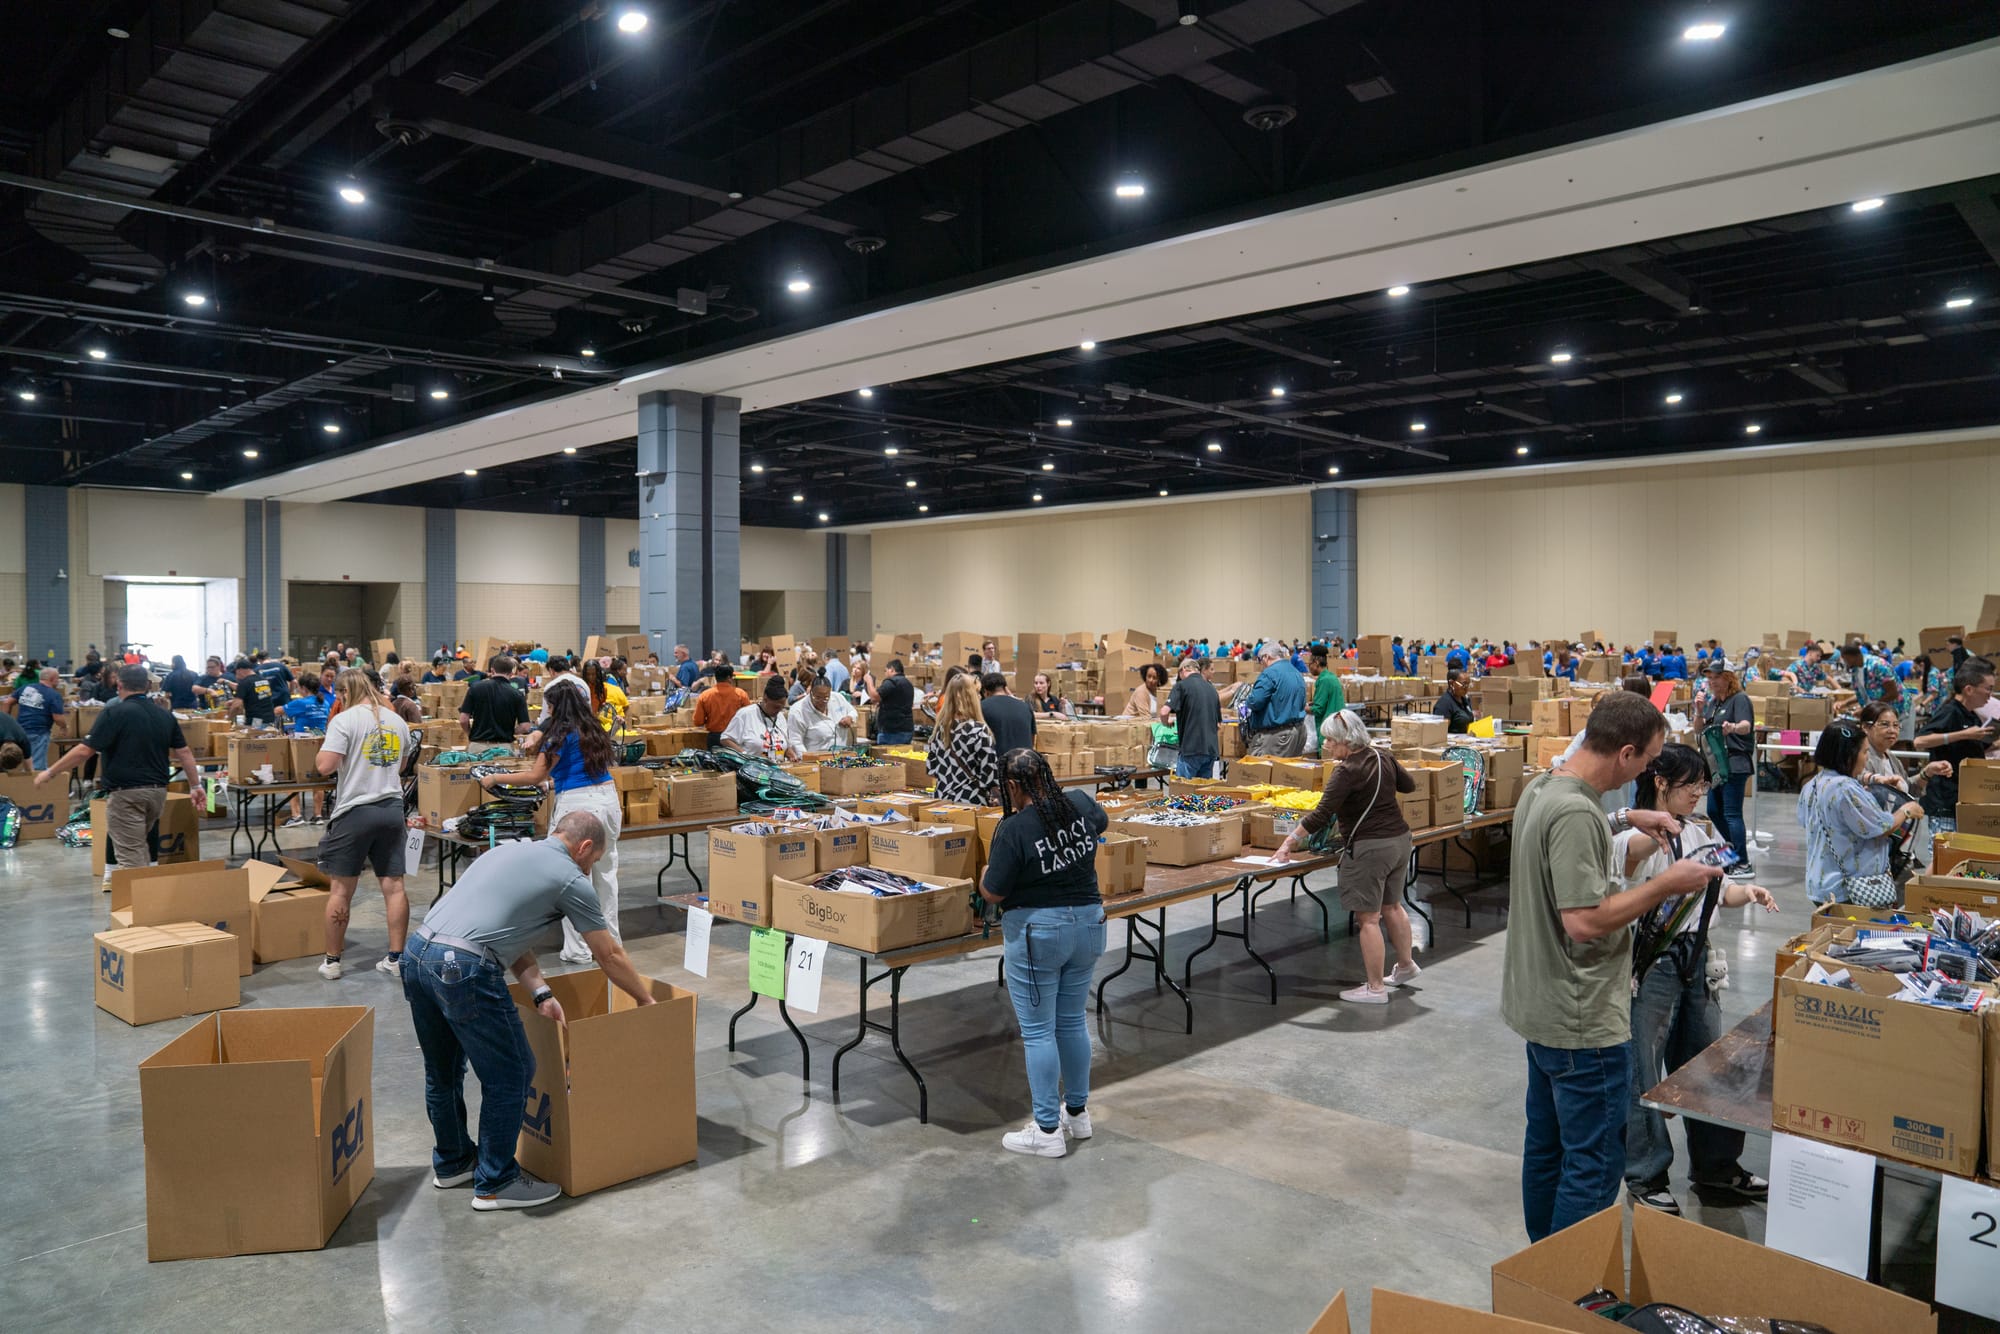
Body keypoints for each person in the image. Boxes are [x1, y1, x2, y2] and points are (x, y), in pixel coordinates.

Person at [1502, 691, 1725, 1242]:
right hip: (1582, 1018)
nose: (1649, 771)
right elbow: (1583, 920)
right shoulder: (1576, 811)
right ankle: (1574, 1293)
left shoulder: (1543, 789)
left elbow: (1578, 831)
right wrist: (1666, 886)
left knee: (1548, 1148)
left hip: (1541, 1006)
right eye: (1648, 760)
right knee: (1594, 1164)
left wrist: (1628, 816)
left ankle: (1545, 1273)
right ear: (1625, 753)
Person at [401, 813, 655, 1210]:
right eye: (593, 862)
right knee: (512, 1073)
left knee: (443, 1071)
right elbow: (608, 954)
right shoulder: (570, 877)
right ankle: (496, 1182)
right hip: (464, 968)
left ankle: (453, 1163)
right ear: (584, 847)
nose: (590, 871)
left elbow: (507, 932)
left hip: (417, 953)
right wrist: (646, 1000)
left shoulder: (506, 852)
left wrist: (540, 993)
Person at [1614, 744, 1776, 1214]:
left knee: (1713, 1065)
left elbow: (1720, 888)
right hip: (1653, 964)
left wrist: (1749, 892)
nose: (1699, 793)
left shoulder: (1705, 829)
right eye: (1690, 785)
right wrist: (1655, 824)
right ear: (1661, 783)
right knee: (1643, 1071)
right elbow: (1627, 861)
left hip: (1698, 959)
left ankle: (1718, 1167)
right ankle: (1646, 1174)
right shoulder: (1638, 834)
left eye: (1704, 785)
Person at [980, 748, 1108, 1158]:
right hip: (1090, 924)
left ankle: (1048, 1130)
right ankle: (1078, 1115)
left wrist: (984, 873)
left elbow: (993, 891)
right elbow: (1100, 824)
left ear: (1014, 787)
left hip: (1040, 933)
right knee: (1072, 1023)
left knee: (1038, 1032)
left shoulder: (1014, 829)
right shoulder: (1080, 804)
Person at [1270, 710, 1420, 1003]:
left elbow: (1322, 813)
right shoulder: (1382, 756)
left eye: (1331, 740)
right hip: (1400, 840)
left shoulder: (1346, 770)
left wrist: (1289, 841)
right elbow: (1410, 786)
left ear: (1347, 741)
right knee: (1392, 906)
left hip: (1371, 848)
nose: (1326, 745)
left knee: (1368, 919)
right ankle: (1405, 966)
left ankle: (1375, 988)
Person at [478, 685, 623, 964]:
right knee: (606, 874)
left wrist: (496, 778)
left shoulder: (558, 733)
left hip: (578, 809)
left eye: (549, 706)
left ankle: (578, 950)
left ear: (555, 706)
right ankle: (612, 946)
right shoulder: (592, 728)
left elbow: (534, 776)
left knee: (573, 880)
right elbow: (581, 769)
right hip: (607, 801)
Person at [36, 665, 199, 882]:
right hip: (157, 793)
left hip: (126, 795)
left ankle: (143, 908)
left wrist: (50, 772)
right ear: (148, 686)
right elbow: (184, 753)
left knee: (130, 859)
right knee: (140, 848)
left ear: (119, 685)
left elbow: (85, 750)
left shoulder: (114, 712)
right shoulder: (164, 715)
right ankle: (147, 901)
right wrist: (196, 786)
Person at [312, 671, 413, 980]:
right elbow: (403, 764)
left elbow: (324, 767)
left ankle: (332, 961)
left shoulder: (344, 721)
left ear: (344, 692)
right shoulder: (397, 721)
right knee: (394, 886)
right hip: (392, 809)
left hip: (355, 810)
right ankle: (396, 958)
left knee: (341, 889)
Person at [1798, 721, 1925, 905]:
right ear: (1848, 756)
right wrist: (1906, 810)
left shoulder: (1812, 785)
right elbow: (1880, 827)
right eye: (1864, 752)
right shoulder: (1845, 788)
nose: (1866, 759)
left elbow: (1807, 821)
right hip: (1849, 888)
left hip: (1821, 884)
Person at [1914, 660, 1998, 834]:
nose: (1990, 695)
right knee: (1943, 857)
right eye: (1988, 689)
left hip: (1964, 799)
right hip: (1944, 801)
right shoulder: (1950, 712)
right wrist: (1964, 734)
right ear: (1969, 689)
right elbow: (1920, 741)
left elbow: (1971, 750)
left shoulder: (1972, 716)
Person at [1702, 669, 1756, 877]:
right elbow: (1700, 728)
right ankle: (1733, 852)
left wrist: (1732, 727)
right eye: (1710, 678)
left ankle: (1742, 863)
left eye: (1716, 677)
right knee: (1714, 810)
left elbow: (1746, 726)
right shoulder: (1714, 703)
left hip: (1735, 763)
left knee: (1732, 813)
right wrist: (1698, 710)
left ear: (1728, 679)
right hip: (1717, 765)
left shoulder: (1740, 699)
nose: (1712, 681)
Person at [929, 673, 1000, 805]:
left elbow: (931, 769)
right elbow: (990, 774)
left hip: (942, 798)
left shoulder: (940, 729)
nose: (980, 696)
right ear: (971, 698)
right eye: (977, 693)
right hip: (971, 799)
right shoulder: (978, 730)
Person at [1235, 645, 1308, 756]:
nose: (1260, 665)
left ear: (1266, 657)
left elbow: (1255, 701)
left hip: (1277, 735)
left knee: (1264, 770)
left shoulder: (1269, 674)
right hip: (1298, 731)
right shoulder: (1295, 672)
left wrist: (1247, 700)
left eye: (1260, 661)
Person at [1163, 659, 1222, 780]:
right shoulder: (1212, 690)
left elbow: (1164, 712)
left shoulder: (1181, 686)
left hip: (1191, 750)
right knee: (1202, 795)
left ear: (1183, 670)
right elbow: (1218, 725)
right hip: (1210, 751)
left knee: (1183, 793)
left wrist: (1166, 722)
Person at [784, 672, 857, 757]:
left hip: (841, 758)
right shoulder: (798, 711)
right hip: (816, 760)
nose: (822, 702)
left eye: (826, 698)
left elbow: (853, 711)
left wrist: (850, 717)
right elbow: (796, 742)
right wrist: (809, 760)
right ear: (810, 692)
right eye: (817, 698)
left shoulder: (838, 698)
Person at [461, 656, 531, 744]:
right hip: (504, 748)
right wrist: (509, 732)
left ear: (492, 670)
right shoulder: (517, 694)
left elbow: (463, 719)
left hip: (478, 744)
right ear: (511, 673)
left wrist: (470, 733)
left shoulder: (475, 688)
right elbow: (525, 726)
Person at [721, 675, 790, 757]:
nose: (778, 711)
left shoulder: (780, 717)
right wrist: (744, 755)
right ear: (765, 699)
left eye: (781, 708)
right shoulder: (745, 714)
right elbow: (725, 739)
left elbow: (782, 743)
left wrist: (789, 752)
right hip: (752, 767)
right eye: (776, 707)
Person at [13, 667, 65, 770]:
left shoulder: (26, 688)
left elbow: (7, 702)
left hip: (21, 732)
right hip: (39, 733)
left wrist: (7, 720)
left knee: (28, 763)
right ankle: (30, 785)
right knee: (36, 767)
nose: (58, 681)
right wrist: (64, 727)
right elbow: (58, 718)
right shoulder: (54, 695)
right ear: (52, 679)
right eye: (57, 678)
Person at [980, 672, 1037, 757]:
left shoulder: (981, 707)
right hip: (1026, 762)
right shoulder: (1025, 707)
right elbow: (1032, 738)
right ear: (1005, 688)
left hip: (998, 764)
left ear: (985, 692)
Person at [694, 663, 751, 744]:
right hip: (735, 738)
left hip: (714, 738)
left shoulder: (705, 695)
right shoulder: (741, 694)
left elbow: (698, 721)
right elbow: (749, 718)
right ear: (729, 678)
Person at [1306, 650, 1346, 755]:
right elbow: (1327, 700)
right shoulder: (1332, 677)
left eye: (1310, 664)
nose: (1309, 667)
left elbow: (1318, 710)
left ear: (1316, 663)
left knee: (1326, 759)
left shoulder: (1323, 680)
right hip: (1337, 725)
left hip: (1328, 728)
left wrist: (1301, 708)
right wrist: (1314, 703)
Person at [874, 659, 915, 746]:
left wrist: (869, 681)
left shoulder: (891, 682)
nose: (885, 674)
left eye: (886, 671)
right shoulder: (908, 684)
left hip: (891, 731)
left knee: (887, 758)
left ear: (891, 669)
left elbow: (875, 697)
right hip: (907, 729)